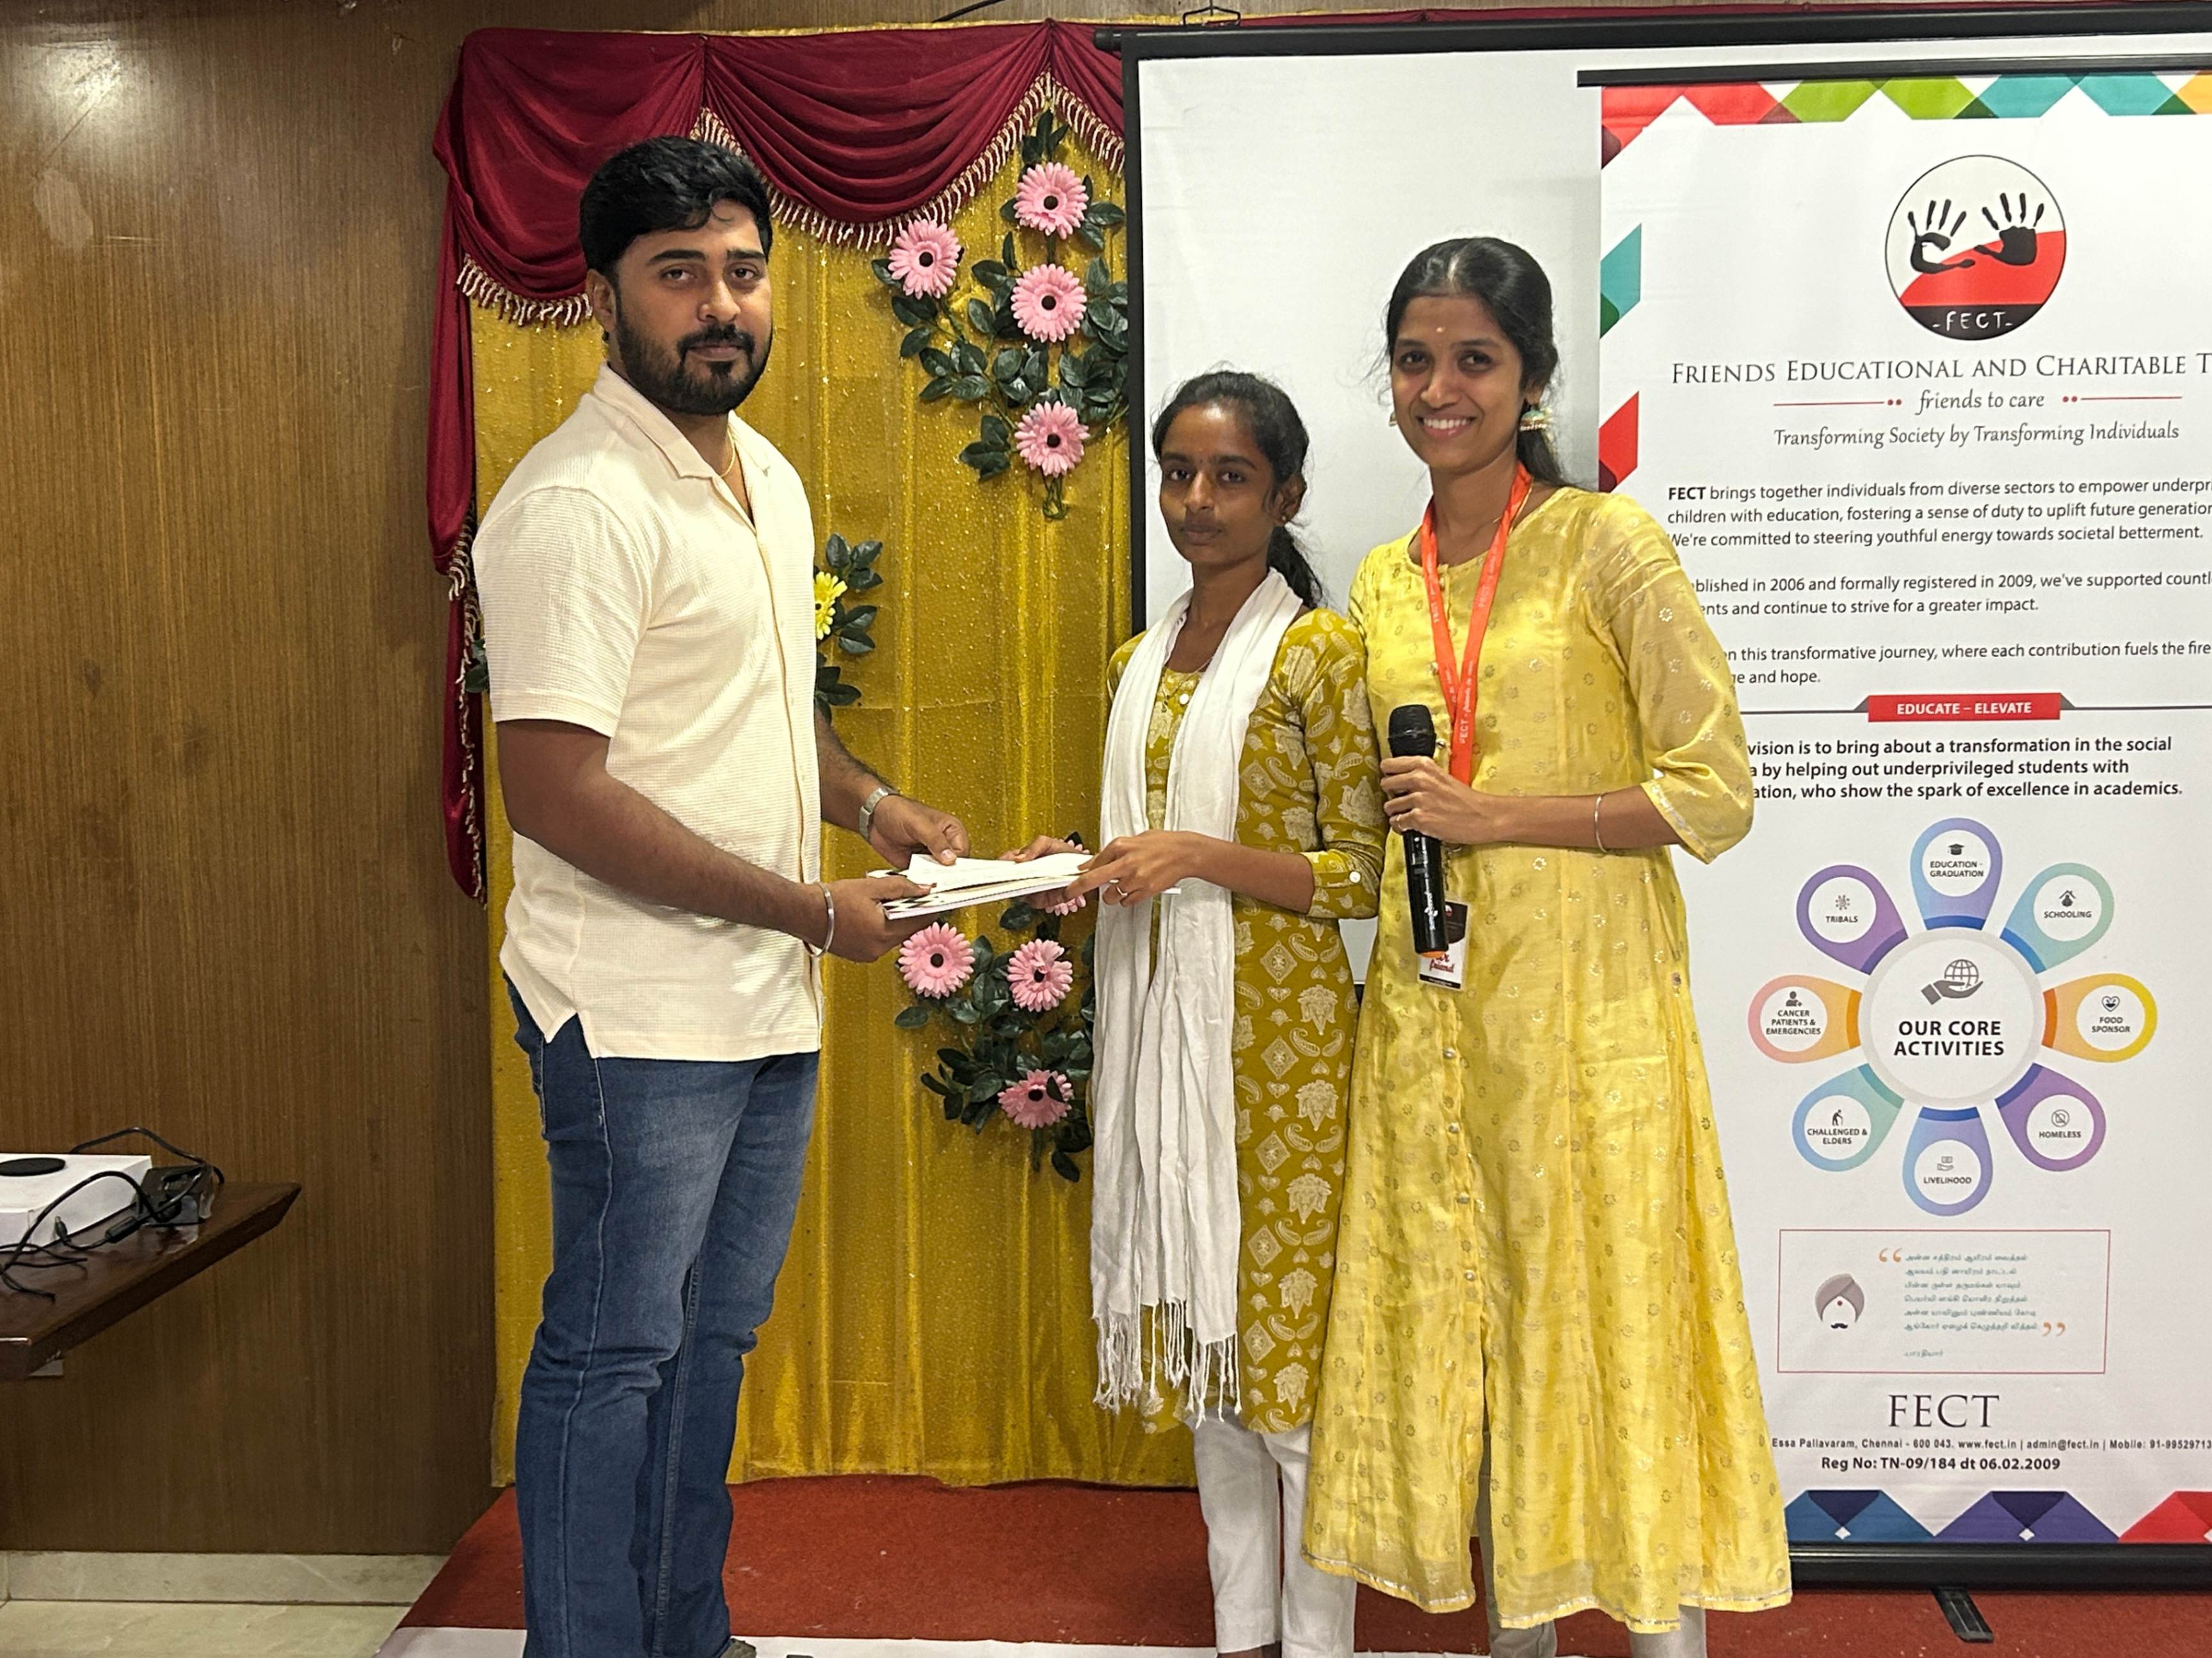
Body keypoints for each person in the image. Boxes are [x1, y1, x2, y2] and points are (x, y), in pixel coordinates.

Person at [472, 136, 968, 1658]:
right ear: (603, 297)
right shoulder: (577, 504)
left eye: (743, 272)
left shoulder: (767, 477)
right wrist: (816, 912)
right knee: (615, 1348)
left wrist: (874, 808)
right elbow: (555, 793)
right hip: (632, 1012)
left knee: (710, 1344)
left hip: (760, 997)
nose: (720, 306)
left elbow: (758, 716)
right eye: (678, 274)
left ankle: (682, 1633)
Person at [1302, 238, 1790, 1655]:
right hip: (1438, 1026)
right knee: (1474, 1335)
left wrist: (1493, 813)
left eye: (1476, 360)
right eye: (1415, 360)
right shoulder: (1384, 581)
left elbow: (1714, 793)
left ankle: (1659, 1634)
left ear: (1533, 381)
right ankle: (1519, 1635)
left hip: (1591, 1026)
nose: (1440, 389)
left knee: (1616, 1317)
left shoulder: (1606, 545)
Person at [1016, 371, 1384, 1658]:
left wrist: (1199, 858)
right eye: (1177, 472)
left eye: (1230, 477)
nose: (1195, 500)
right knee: (1212, 1368)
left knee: (1288, 1373)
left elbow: (1365, 872)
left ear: (1285, 497)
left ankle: (1319, 1638)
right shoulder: (1139, 660)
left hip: (1286, 1059)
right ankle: (1244, 1632)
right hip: (1165, 1040)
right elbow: (1150, 852)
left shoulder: (1320, 655)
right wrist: (1088, 869)